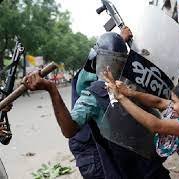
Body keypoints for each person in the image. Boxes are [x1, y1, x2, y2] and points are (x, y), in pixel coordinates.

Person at [23, 31, 170, 179]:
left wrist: (52, 89)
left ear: (96, 58)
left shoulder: (94, 95)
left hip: (130, 168)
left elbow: (68, 130)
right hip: (150, 164)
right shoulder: (135, 81)